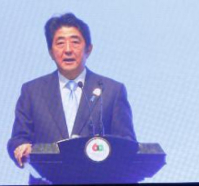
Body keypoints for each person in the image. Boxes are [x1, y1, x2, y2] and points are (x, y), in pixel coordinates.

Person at [7, 13, 136, 176]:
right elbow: (18, 138)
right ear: (51, 52)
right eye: (60, 43)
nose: (68, 50)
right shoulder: (32, 91)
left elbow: (127, 143)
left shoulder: (112, 90)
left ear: (88, 49)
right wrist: (21, 147)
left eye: (75, 42)